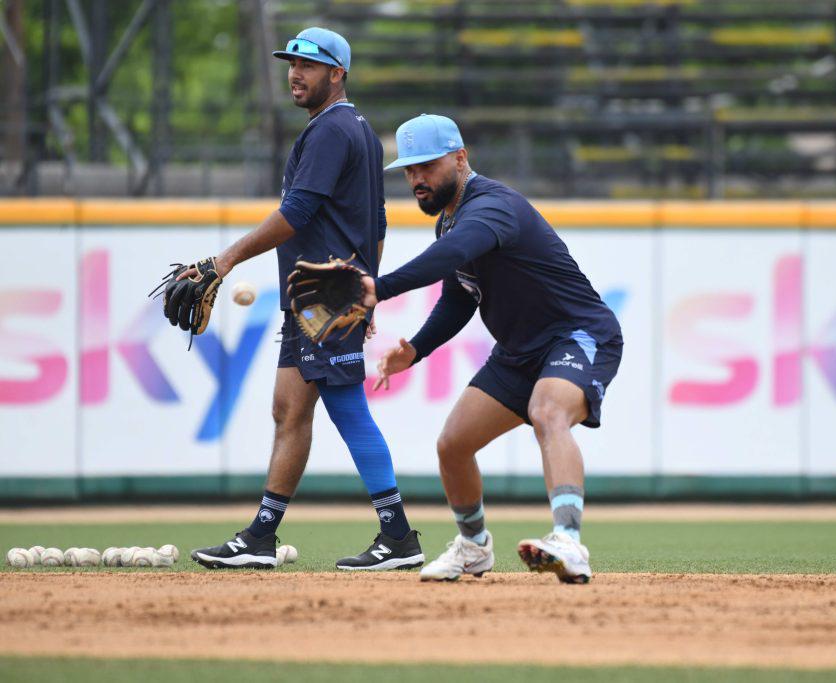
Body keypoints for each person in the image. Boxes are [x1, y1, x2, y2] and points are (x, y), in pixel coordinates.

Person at [184, 28, 422, 570]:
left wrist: (223, 261)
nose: (296, 73)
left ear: (337, 73)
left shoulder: (333, 129)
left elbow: (297, 215)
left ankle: (399, 535)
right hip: (327, 294)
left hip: (326, 295)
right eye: (292, 63)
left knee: (345, 406)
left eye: (309, 66)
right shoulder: (358, 129)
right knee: (289, 409)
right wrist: (370, 288)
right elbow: (377, 223)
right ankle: (261, 537)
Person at [365, 114, 623, 583]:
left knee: (548, 411)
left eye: (427, 165)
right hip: (519, 351)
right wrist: (416, 350)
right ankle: (474, 546)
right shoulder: (450, 222)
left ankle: (568, 539)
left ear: (460, 158)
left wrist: (376, 289)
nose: (417, 178)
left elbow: (451, 256)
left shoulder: (492, 206)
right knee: (453, 444)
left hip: (578, 334)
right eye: (408, 170)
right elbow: (459, 297)